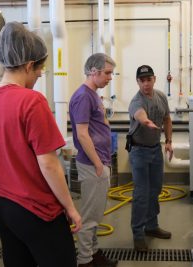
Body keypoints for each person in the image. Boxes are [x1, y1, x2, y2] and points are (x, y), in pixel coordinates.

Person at [0, 22, 81, 267]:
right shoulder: (32, 101)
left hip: (2, 206)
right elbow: (48, 164)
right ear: (27, 65)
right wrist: (70, 207)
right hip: (35, 208)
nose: (39, 75)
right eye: (38, 70)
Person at [69, 53, 118, 267]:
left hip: (99, 163)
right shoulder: (83, 96)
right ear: (93, 71)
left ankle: (93, 254)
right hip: (92, 165)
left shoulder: (93, 95)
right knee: (90, 216)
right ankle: (85, 261)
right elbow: (81, 134)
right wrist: (98, 164)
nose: (110, 77)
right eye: (107, 73)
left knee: (96, 214)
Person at [128, 65, 174, 252]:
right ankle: (138, 235)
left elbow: (167, 119)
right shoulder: (136, 101)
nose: (146, 83)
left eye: (149, 79)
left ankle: (151, 226)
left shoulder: (161, 96)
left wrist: (168, 141)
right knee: (141, 194)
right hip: (139, 152)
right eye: (142, 80)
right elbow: (139, 114)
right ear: (138, 82)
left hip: (155, 150)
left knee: (155, 190)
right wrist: (145, 121)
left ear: (154, 79)